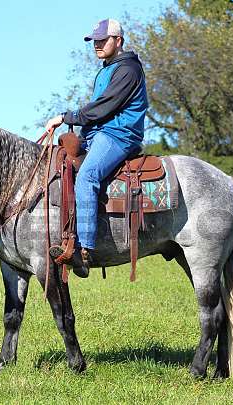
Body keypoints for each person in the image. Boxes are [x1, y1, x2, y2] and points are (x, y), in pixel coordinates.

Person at [46, 18, 148, 278]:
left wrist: (67, 117)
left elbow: (105, 106)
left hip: (119, 134)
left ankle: (83, 250)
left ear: (119, 40)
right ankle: (65, 233)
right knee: (60, 165)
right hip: (99, 133)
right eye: (95, 41)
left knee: (87, 176)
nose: (97, 45)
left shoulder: (128, 69)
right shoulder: (107, 68)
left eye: (103, 40)